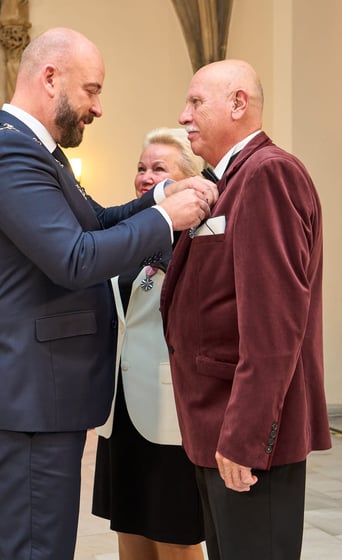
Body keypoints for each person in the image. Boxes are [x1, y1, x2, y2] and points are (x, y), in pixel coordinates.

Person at [0, 28, 218, 560]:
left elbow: (96, 221)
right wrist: (167, 219)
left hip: (43, 391)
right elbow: (75, 257)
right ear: (50, 78)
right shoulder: (8, 152)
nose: (98, 107)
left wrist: (161, 195)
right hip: (30, 392)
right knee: (38, 549)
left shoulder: (37, 151)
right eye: (92, 90)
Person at [160, 59, 331, 560]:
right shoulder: (229, 178)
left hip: (246, 437)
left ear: (238, 103)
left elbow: (275, 328)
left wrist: (245, 437)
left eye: (195, 102)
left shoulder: (268, 174)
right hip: (215, 424)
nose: (183, 114)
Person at [92, 127, 206, 560]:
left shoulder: (197, 241)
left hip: (167, 409)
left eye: (159, 168)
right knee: (129, 527)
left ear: (188, 178)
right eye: (141, 168)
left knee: (173, 533)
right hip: (119, 409)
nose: (146, 177)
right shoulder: (129, 233)